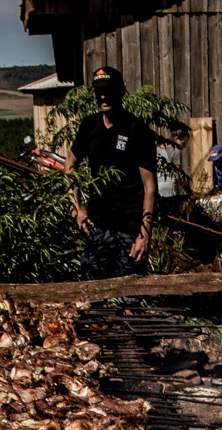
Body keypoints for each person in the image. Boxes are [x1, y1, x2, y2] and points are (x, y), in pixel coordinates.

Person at [65, 66, 158, 279]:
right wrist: (76, 207)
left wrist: (144, 234)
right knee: (91, 291)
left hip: (129, 231)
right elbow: (70, 163)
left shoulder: (137, 130)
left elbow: (149, 187)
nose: (103, 97)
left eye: (108, 90)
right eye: (99, 92)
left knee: (129, 293)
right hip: (96, 227)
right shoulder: (90, 126)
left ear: (122, 90)